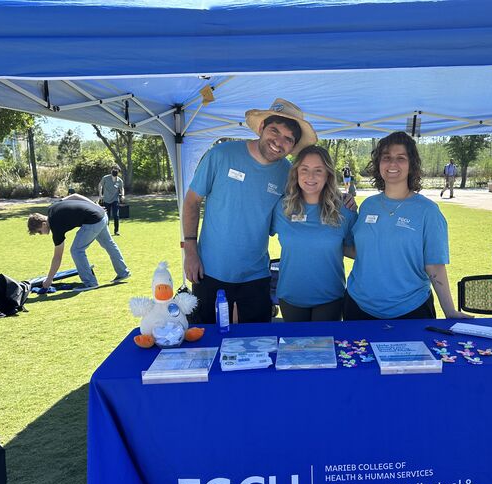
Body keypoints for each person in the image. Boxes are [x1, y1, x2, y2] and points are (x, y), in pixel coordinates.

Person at [182, 98, 317, 324]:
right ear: (262, 127)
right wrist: (191, 251)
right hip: (209, 270)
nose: (278, 141)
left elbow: (302, 206)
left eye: (288, 138)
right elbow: (191, 202)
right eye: (274, 131)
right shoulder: (222, 154)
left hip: (256, 275)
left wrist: (339, 199)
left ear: (293, 146)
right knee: (207, 343)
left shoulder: (288, 173)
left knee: (257, 345)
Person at [344, 132, 470, 321]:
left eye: (400, 158)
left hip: (410, 311)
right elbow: (358, 250)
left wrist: (449, 310)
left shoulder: (428, 211)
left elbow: (435, 265)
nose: (392, 164)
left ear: (411, 165)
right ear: (378, 164)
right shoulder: (368, 205)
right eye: (386, 158)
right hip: (358, 308)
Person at [271, 145, 357, 322]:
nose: (310, 177)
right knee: (295, 348)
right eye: (304, 169)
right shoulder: (282, 208)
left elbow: (355, 250)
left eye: (318, 170)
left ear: (328, 175)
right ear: (296, 173)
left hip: (330, 297)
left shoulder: (345, 210)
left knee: (326, 349)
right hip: (291, 295)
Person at [27, 190, 130, 290]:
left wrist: (49, 279)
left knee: (76, 250)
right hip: (101, 215)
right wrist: (96, 206)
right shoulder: (52, 207)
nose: (41, 234)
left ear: (44, 224)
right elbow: (75, 196)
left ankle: (90, 283)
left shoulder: (55, 226)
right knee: (109, 244)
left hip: (94, 221)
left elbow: (57, 257)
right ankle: (123, 272)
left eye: (39, 231)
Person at [98, 167, 125, 235]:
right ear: (111, 174)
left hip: (115, 200)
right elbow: (100, 185)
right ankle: (106, 231)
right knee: (107, 216)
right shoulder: (105, 178)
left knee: (116, 215)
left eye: (115, 177)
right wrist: (100, 194)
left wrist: (122, 195)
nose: (114, 178)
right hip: (106, 200)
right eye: (113, 176)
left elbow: (122, 188)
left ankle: (116, 231)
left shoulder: (119, 181)